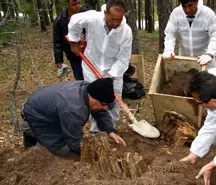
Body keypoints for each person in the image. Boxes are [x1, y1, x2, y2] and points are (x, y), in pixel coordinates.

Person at [67, 0, 132, 132]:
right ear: (105, 13)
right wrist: (74, 40)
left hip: (113, 70)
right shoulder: (93, 18)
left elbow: (123, 59)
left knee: (113, 102)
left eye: (119, 19)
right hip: (91, 66)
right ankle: (96, 131)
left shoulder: (126, 32)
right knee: (94, 101)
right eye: (112, 19)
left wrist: (110, 76)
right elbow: (74, 20)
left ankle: (111, 129)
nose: (115, 23)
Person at [20, 78, 126, 155]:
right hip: (35, 118)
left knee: (67, 138)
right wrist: (94, 154)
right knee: (63, 150)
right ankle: (34, 144)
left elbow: (100, 111)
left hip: (49, 111)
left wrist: (110, 131)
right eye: (104, 104)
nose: (106, 108)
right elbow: (74, 143)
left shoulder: (87, 88)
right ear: (92, 98)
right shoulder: (73, 109)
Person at [163, 0, 216, 69]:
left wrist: (209, 54)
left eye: (190, 5)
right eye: (184, 6)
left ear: (196, 2)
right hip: (184, 61)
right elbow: (170, 34)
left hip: (206, 60)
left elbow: (215, 36)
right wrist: (168, 50)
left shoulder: (208, 14)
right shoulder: (176, 13)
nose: (187, 10)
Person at [53, 0, 86, 80]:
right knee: (80, 78)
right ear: (67, 4)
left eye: (79, 3)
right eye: (74, 4)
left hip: (89, 52)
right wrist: (59, 59)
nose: (77, 6)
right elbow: (57, 41)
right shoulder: (60, 20)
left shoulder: (86, 14)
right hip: (74, 55)